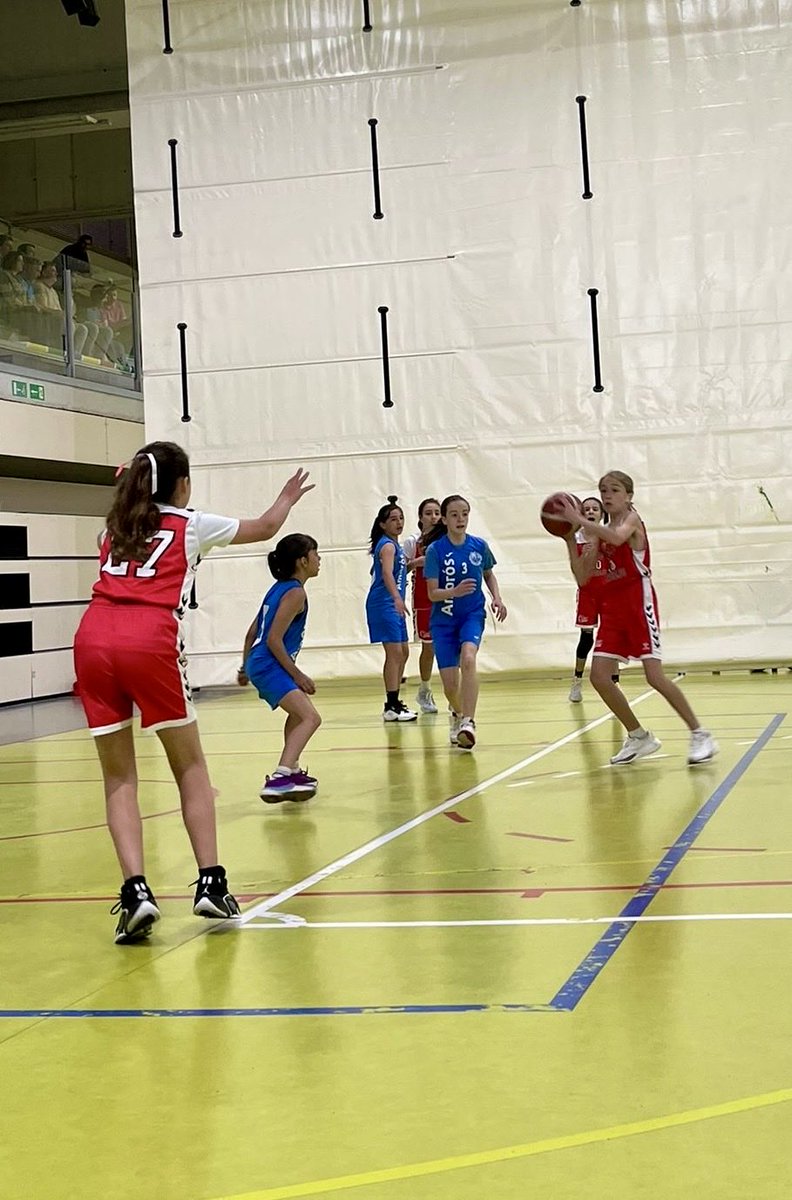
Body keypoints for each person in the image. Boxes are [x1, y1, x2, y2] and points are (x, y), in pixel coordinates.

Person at [72, 441, 313, 944]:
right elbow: (266, 529)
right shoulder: (190, 523)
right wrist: (287, 497)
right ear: (181, 484)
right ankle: (211, 882)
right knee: (190, 767)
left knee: (119, 778)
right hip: (148, 637)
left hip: (93, 637)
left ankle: (136, 893)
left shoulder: (112, 531)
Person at [554, 471, 718, 766]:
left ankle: (700, 733)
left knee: (654, 676)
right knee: (599, 677)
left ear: (628, 496)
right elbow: (582, 577)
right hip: (612, 610)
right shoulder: (596, 532)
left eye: (614, 490)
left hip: (638, 605)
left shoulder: (632, 520)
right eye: (603, 490)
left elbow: (617, 536)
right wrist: (569, 538)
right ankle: (639, 736)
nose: (607, 495)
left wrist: (582, 523)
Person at [237, 534, 322, 802]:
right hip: (269, 664)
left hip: (260, 663)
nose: (320, 559)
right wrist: (298, 675)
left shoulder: (278, 588)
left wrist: (244, 666)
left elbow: (252, 632)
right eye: (315, 554)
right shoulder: (296, 592)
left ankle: (293, 769)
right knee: (311, 718)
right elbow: (273, 638)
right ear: (303, 561)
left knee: (298, 715)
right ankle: (281, 776)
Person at [423, 495, 507, 749]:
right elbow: (432, 593)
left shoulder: (478, 546)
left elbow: (488, 574)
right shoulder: (435, 551)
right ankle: (458, 714)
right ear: (445, 519)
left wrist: (497, 598)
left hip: (471, 615)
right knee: (450, 686)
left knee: (468, 658)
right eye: (455, 515)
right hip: (443, 622)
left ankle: (469, 721)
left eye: (465, 514)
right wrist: (454, 592)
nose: (461, 519)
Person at [366, 496, 417, 722]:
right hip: (384, 603)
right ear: (382, 524)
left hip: (393, 603)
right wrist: (397, 597)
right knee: (395, 653)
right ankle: (391, 704)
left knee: (403, 652)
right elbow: (386, 574)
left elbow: (395, 574)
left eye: (401, 518)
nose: (399, 522)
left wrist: (415, 563)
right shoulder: (387, 545)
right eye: (393, 519)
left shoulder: (394, 545)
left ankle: (394, 701)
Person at [567, 496, 619, 702]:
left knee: (611, 639)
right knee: (586, 639)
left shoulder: (610, 537)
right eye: (586, 509)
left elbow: (617, 567)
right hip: (588, 594)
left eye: (594, 509)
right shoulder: (576, 538)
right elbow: (576, 571)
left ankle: (615, 683)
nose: (590, 511)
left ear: (601, 513)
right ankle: (577, 681)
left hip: (608, 595)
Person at [403, 497, 442, 714]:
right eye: (429, 513)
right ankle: (425, 689)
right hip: (424, 600)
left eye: (437, 512)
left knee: (451, 646)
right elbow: (402, 569)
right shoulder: (412, 542)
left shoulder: (448, 540)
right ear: (420, 517)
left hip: (447, 598)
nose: (433, 517)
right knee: (430, 647)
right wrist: (417, 562)